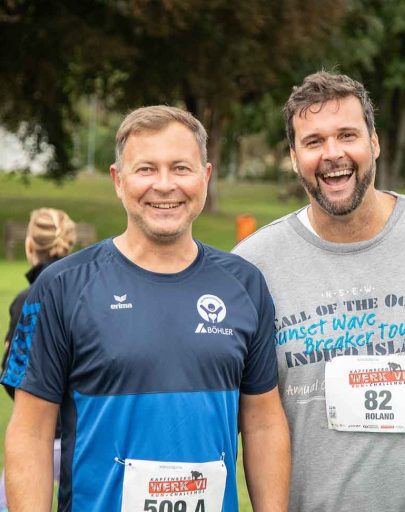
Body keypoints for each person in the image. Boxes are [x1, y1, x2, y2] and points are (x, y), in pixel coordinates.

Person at [233, 71, 405, 511]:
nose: (333, 154)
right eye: (313, 141)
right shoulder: (253, 266)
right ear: (293, 157)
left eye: (347, 135)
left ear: (374, 142)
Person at [2, 106, 290, 512]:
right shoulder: (61, 287)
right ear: (118, 181)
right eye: (146, 169)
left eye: (181, 168)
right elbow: (30, 432)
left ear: (205, 177)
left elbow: (262, 420)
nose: (165, 185)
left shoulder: (245, 285)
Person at [0, 208, 76, 512]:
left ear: (30, 245)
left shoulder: (27, 299)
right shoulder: (88, 293)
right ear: (69, 243)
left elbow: (14, 376)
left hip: (42, 440)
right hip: (83, 438)